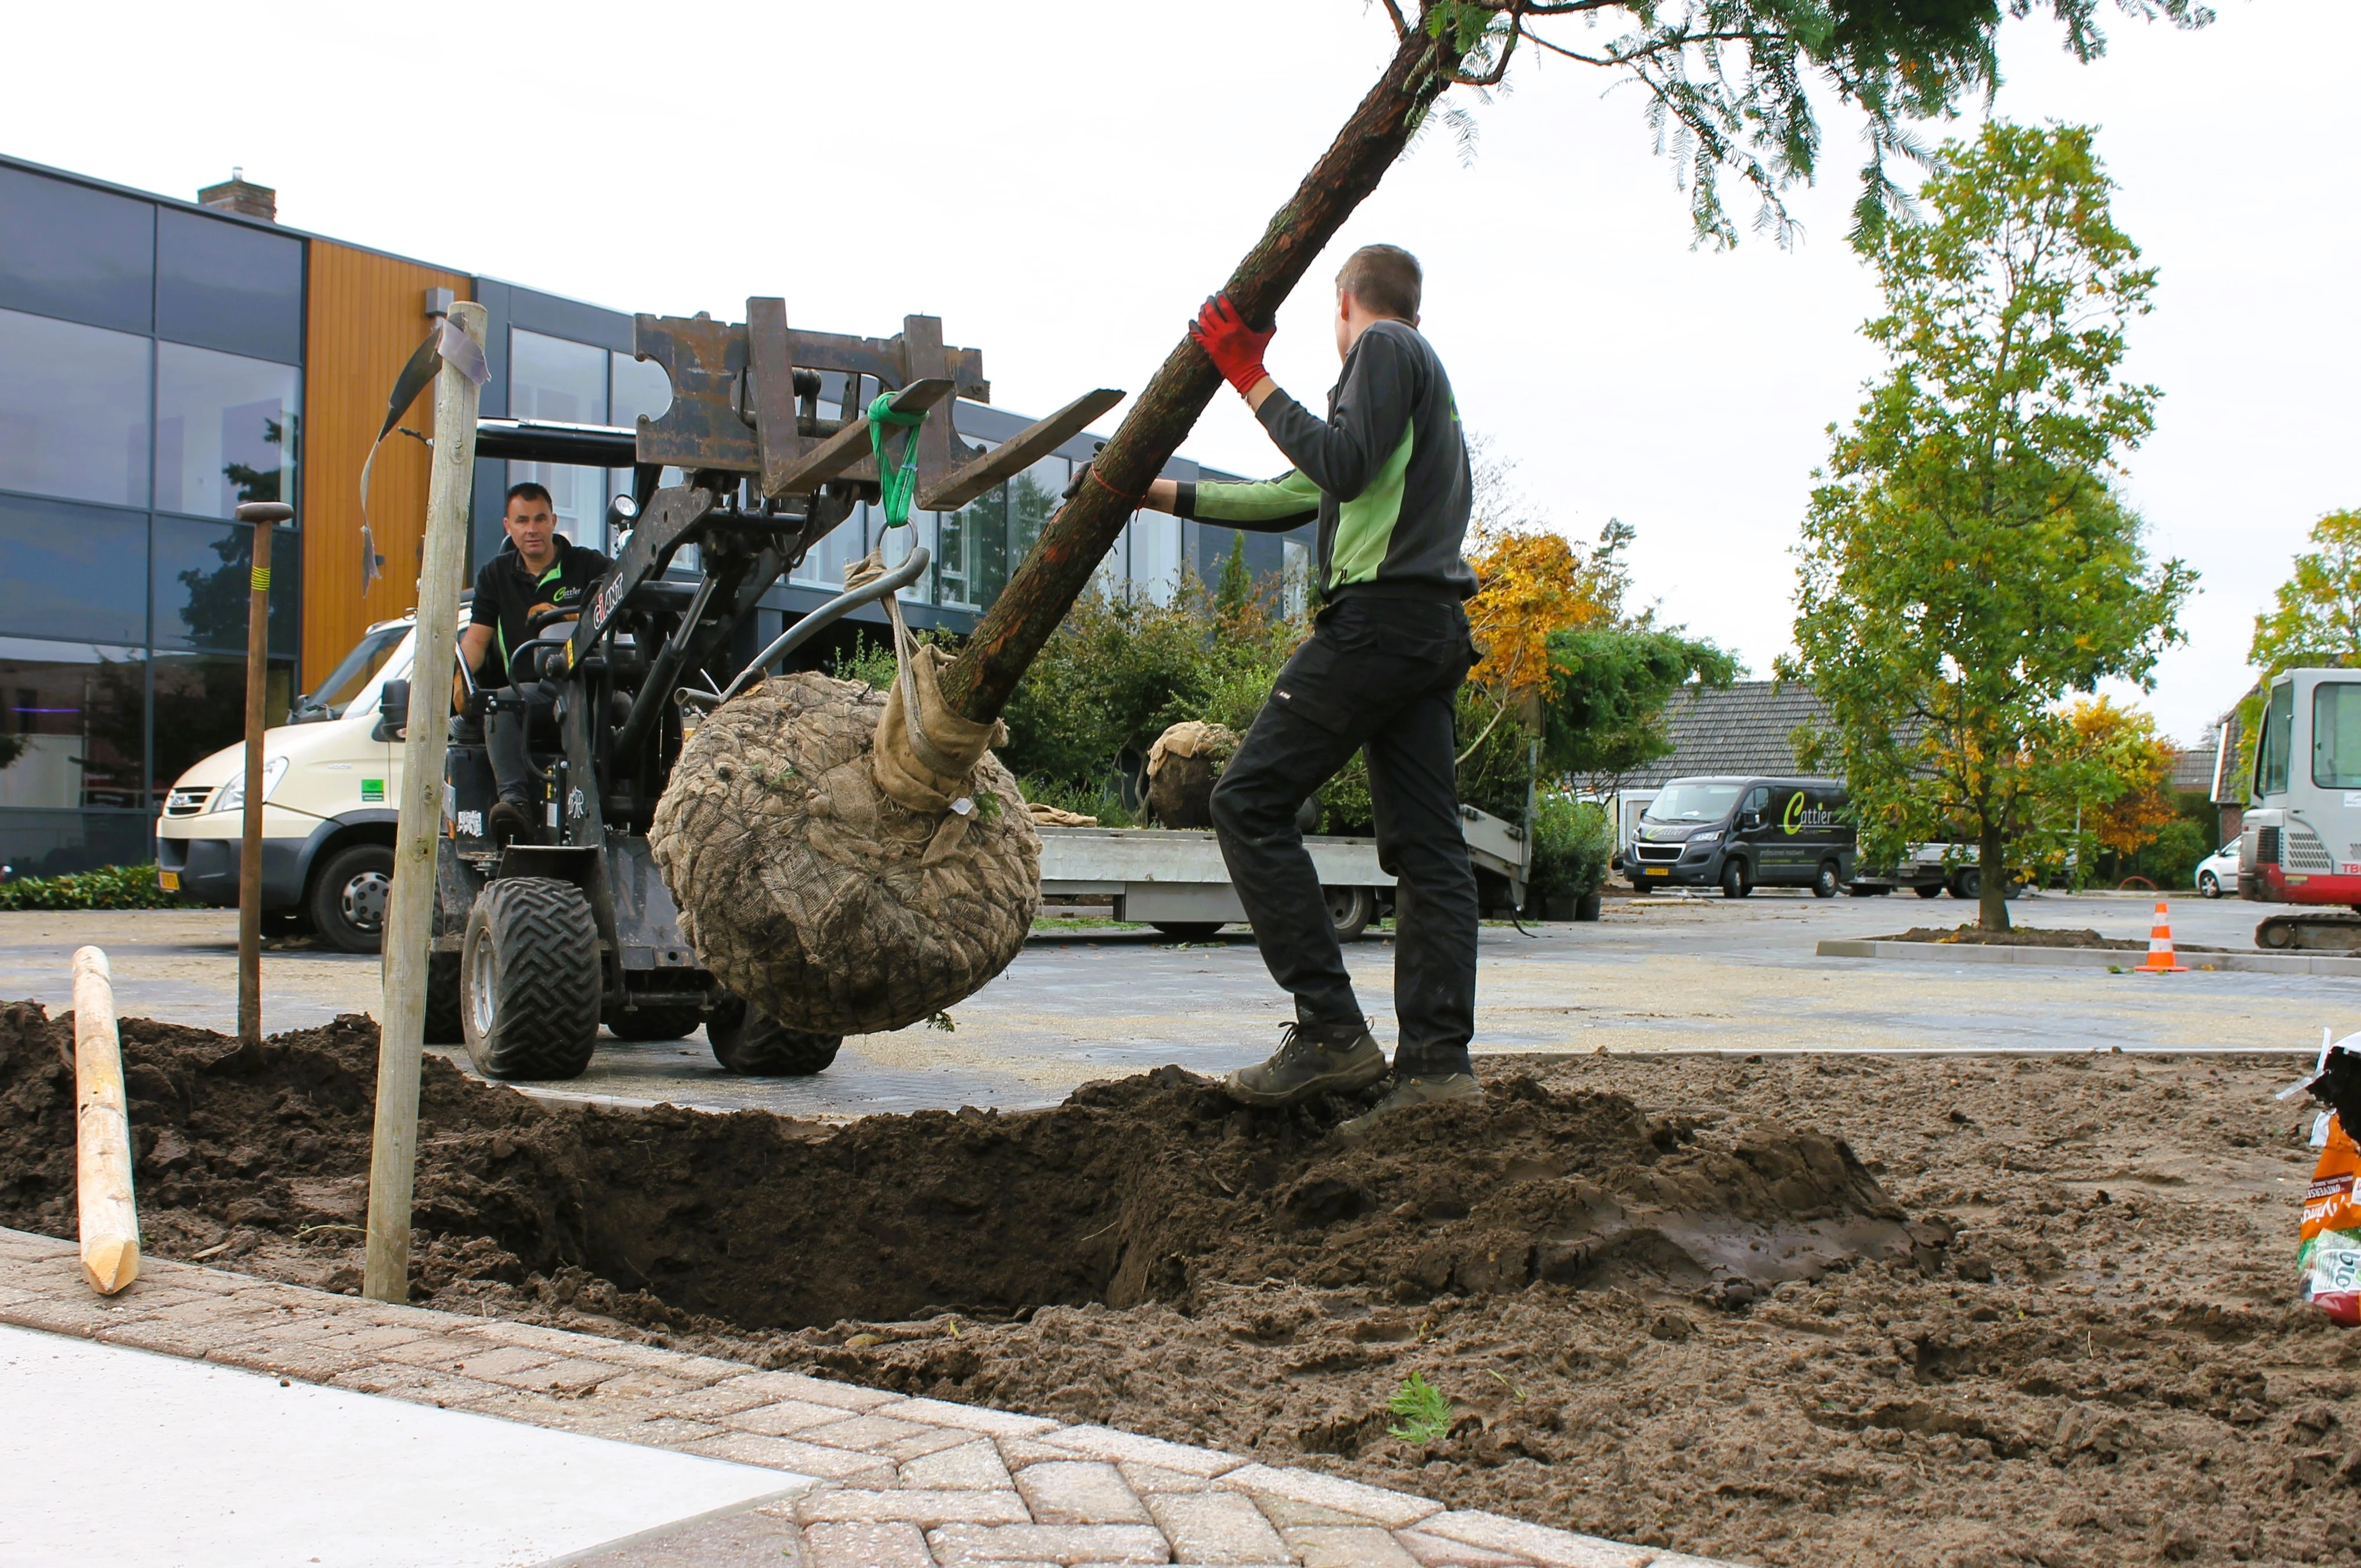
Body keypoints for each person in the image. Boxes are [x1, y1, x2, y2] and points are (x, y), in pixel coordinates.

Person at [1138, 243, 1480, 1130]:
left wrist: (1247, 375)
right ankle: (1436, 1069)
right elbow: (1295, 494)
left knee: (1247, 798)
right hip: (1430, 632)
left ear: (1343, 305)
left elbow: (1340, 463)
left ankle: (1331, 1028)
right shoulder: (1420, 384)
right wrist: (1155, 492)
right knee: (1428, 849)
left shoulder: (1384, 350)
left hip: (1380, 624)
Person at [457, 482, 612, 844]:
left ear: (554, 520)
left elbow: (618, 610)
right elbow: (477, 640)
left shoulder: (590, 565)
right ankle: (515, 804)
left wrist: (564, 616)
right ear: (507, 527)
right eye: (522, 520)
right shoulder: (494, 576)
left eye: (540, 519)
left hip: (589, 687)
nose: (532, 529)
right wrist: (460, 681)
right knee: (501, 702)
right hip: (535, 692)